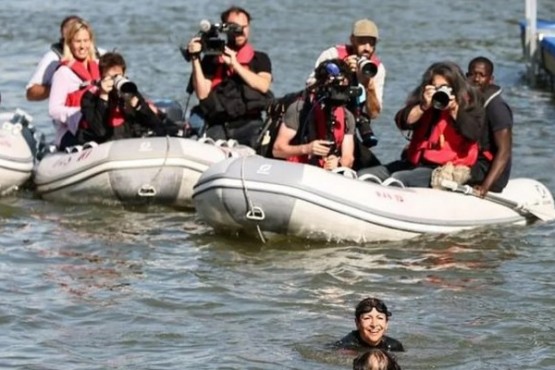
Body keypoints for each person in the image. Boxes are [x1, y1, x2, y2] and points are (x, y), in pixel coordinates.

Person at [358, 61, 484, 187]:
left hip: (442, 168)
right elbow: (402, 121)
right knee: (365, 174)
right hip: (414, 162)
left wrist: (455, 110)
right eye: (436, 87)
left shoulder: (469, 104)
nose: (440, 92)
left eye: (445, 87)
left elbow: (473, 133)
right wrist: (423, 106)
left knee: (399, 178)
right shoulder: (424, 101)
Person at [185, 6, 273, 148]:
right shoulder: (212, 60)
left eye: (244, 27)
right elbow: (202, 94)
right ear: (225, 29)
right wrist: (195, 58)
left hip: (250, 124)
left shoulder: (260, 59)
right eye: (235, 28)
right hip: (219, 125)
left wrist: (235, 64)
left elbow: (263, 85)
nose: (240, 32)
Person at [307, 19, 386, 170]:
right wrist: (342, 69)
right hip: (323, 118)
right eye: (362, 42)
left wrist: (368, 85)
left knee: (377, 169)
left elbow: (374, 113)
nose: (367, 48)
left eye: (372, 43)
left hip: (351, 125)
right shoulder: (333, 54)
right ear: (352, 40)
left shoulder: (376, 69)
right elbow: (310, 87)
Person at [76, 52, 179, 144]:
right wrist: (103, 96)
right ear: (102, 77)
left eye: (118, 76)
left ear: (124, 75)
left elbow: (155, 124)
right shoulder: (90, 98)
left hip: (128, 142)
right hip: (103, 144)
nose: (115, 81)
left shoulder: (128, 91)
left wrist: (139, 107)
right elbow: (100, 131)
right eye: (111, 77)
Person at [271, 59, 356, 170]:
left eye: (342, 87)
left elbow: (348, 158)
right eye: (334, 85)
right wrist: (307, 148)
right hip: (297, 170)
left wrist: (338, 163)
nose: (337, 90)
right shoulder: (299, 109)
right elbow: (277, 150)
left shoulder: (347, 117)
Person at [48, 19, 100, 150]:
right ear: (70, 44)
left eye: (86, 40)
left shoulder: (99, 67)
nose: (82, 46)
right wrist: (79, 114)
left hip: (96, 127)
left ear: (91, 42)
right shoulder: (63, 73)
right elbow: (54, 110)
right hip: (70, 132)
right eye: (78, 41)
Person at [465, 56, 513, 196]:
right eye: (473, 74)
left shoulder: (497, 107)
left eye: (482, 75)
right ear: (466, 76)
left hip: (488, 172)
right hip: (474, 162)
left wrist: (485, 186)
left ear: (490, 79)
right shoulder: (470, 102)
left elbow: (504, 151)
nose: (476, 79)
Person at [26, 15, 83, 102]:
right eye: (70, 33)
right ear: (62, 34)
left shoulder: (100, 55)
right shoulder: (53, 59)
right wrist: (59, 87)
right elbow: (31, 93)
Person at [335, 297, 404, 352]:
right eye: (367, 318)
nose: (374, 324)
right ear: (357, 323)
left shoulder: (394, 347)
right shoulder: (347, 347)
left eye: (380, 318)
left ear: (386, 323)